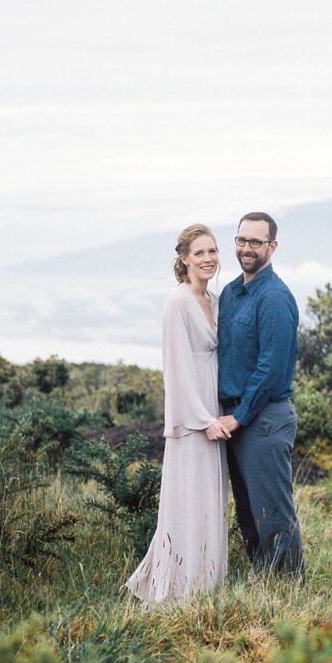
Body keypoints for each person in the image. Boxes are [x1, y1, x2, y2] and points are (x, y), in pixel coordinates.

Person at [126, 225, 232, 604]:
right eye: (200, 252)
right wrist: (204, 420)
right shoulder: (178, 302)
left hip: (214, 409)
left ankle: (207, 582)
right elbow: (178, 368)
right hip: (193, 418)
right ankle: (179, 586)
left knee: (211, 500)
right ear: (184, 258)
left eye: (213, 251)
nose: (208, 259)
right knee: (189, 499)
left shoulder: (216, 300)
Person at [215, 212, 304, 577]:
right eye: (241, 240)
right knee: (248, 511)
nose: (247, 248)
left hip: (264, 418)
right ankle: (263, 582)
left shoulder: (275, 298)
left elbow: (270, 367)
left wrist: (239, 416)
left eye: (255, 242)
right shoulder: (231, 293)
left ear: (272, 247)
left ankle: (287, 588)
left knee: (272, 512)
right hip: (235, 418)